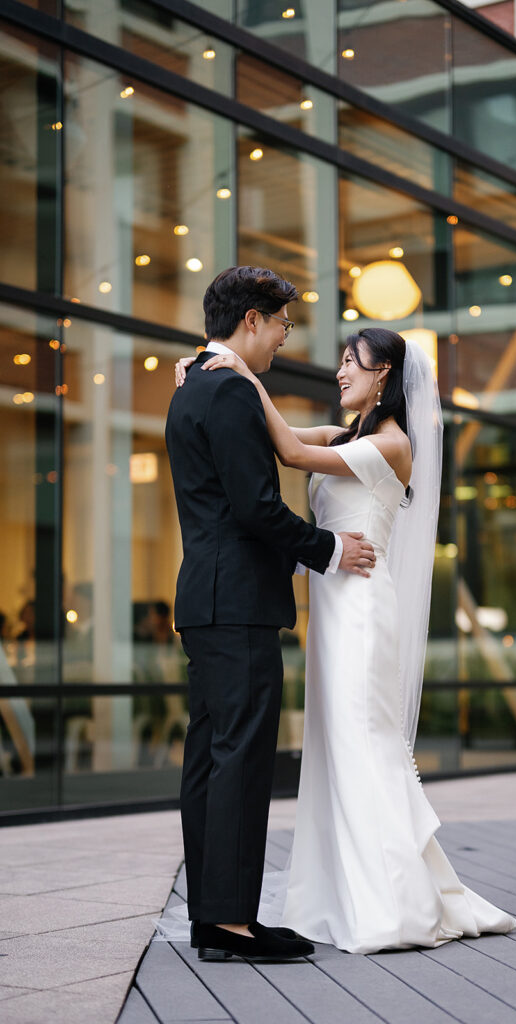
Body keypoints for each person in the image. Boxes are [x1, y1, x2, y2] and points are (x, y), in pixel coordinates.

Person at [175, 325, 516, 954]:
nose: (339, 372)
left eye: (351, 362)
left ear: (383, 373)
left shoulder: (392, 444)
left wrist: (229, 370)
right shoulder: (348, 435)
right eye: (338, 361)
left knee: (364, 740)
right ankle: (336, 893)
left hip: (361, 606)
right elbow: (278, 443)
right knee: (332, 746)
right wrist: (215, 374)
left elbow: (292, 453)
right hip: (330, 610)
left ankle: (389, 901)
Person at [165, 266, 376, 963]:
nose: (287, 337)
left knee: (211, 759)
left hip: (210, 600)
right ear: (251, 319)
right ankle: (228, 925)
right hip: (236, 603)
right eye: (282, 323)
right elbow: (255, 507)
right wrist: (329, 548)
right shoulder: (224, 390)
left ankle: (215, 917)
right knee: (239, 761)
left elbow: (272, 458)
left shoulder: (200, 383)